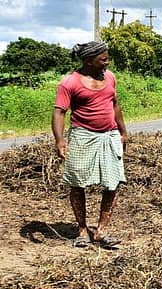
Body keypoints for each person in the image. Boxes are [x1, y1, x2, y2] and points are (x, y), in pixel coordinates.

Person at [51, 41, 127, 249]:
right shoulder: (69, 83)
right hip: (82, 137)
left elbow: (115, 104)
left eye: (107, 58)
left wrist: (123, 132)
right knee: (78, 183)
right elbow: (59, 112)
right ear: (88, 61)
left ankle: (101, 231)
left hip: (109, 136)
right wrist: (60, 141)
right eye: (103, 59)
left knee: (113, 182)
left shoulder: (110, 77)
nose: (107, 62)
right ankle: (83, 230)